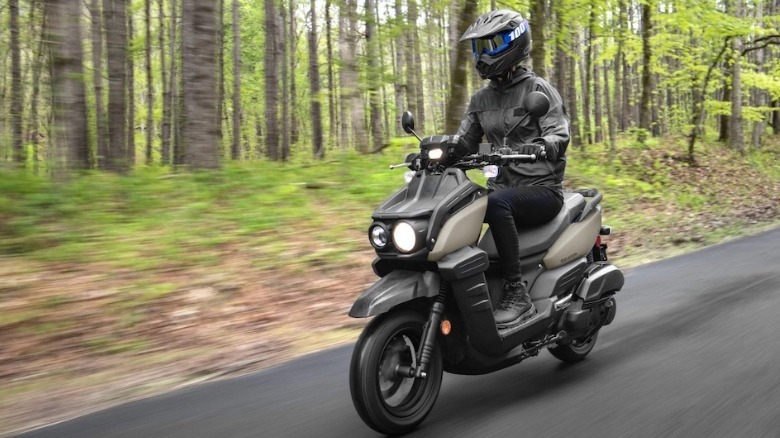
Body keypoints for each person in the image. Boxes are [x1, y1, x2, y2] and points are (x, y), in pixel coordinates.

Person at [455, 9, 570, 328]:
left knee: (495, 202)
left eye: (489, 44)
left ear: (514, 42)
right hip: (502, 189)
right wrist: (439, 151)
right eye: (477, 47)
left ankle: (516, 292)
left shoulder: (538, 90)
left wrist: (543, 144)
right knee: (461, 205)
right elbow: (465, 141)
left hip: (542, 191)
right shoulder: (480, 100)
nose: (482, 54)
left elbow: (558, 132)